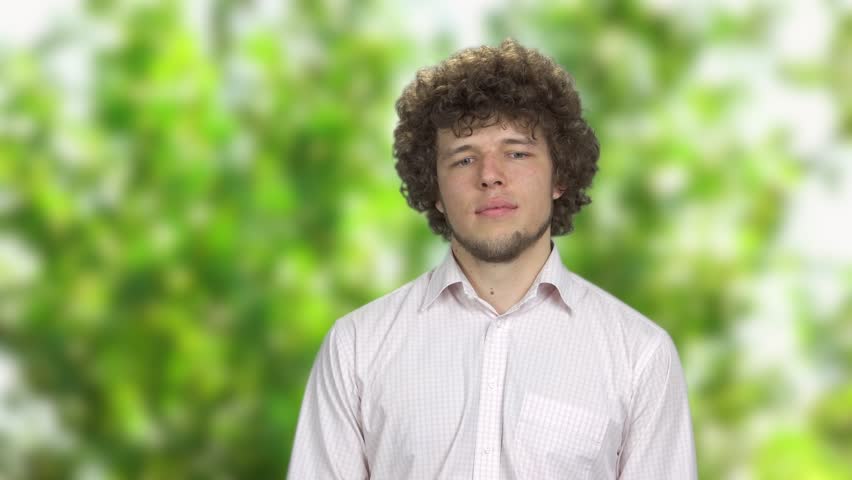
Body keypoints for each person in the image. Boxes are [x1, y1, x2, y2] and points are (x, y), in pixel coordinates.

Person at [288, 39, 697, 479]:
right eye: (464, 159)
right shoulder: (356, 348)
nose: (489, 176)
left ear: (560, 174)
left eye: (516, 153)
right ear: (435, 190)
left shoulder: (639, 355)